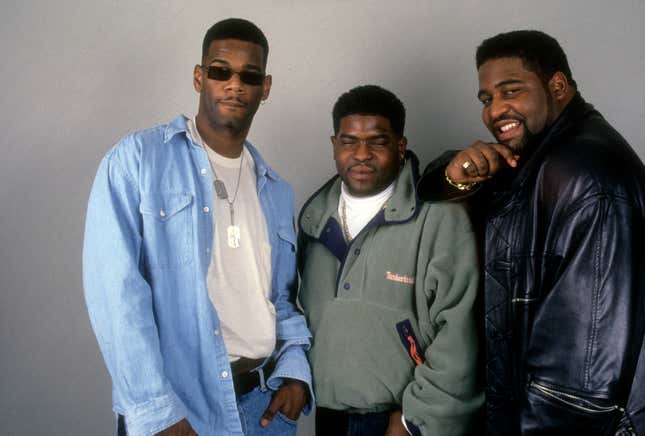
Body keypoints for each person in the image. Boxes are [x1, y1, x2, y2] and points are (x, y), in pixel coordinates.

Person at [83, 18, 312, 436]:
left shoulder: (277, 191)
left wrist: (295, 372)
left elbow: (280, 298)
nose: (235, 84)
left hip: (264, 408)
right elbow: (116, 294)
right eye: (221, 71)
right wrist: (157, 413)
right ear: (199, 76)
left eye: (250, 75)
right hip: (179, 410)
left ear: (266, 87)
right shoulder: (138, 160)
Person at [417, 30, 645, 435]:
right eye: (487, 99)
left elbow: (580, 379)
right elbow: (432, 188)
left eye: (510, 91)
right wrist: (458, 176)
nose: (495, 110)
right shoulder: (541, 156)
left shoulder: (585, 175)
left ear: (556, 85)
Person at [297, 85, 483, 436]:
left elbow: (460, 333)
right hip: (328, 417)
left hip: (400, 422)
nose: (362, 154)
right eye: (349, 141)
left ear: (400, 146)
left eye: (377, 141)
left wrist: (415, 421)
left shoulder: (439, 219)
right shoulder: (314, 218)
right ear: (334, 145)